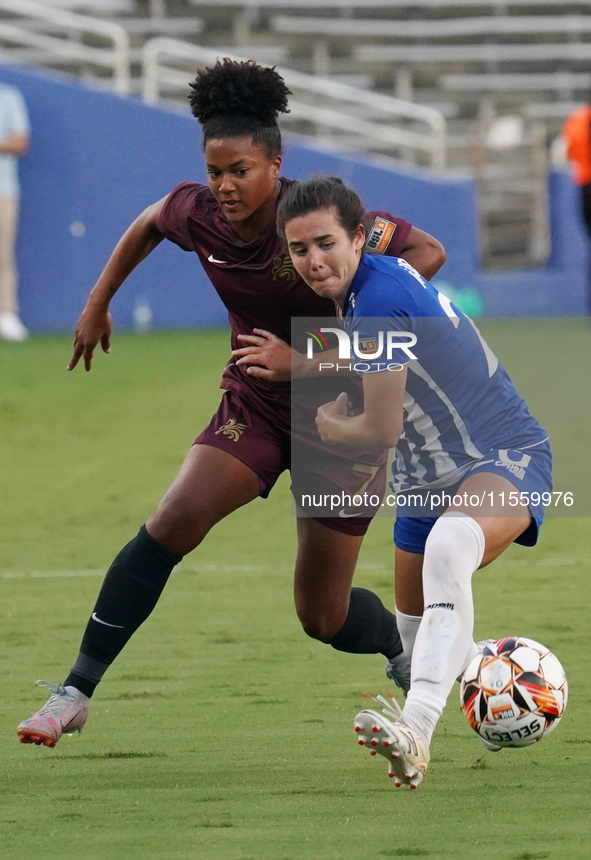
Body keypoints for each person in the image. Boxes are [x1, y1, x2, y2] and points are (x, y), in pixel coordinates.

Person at [16, 60, 447, 748]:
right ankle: (74, 690)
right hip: (258, 401)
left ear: (275, 164)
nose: (224, 186)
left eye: (240, 170)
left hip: (347, 416)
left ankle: (403, 654)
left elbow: (428, 250)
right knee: (172, 518)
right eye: (215, 171)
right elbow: (150, 222)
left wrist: (331, 342)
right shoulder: (201, 213)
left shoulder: (314, 216)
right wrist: (99, 301)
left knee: (322, 615)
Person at [277, 176, 552, 790]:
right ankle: (507, 685)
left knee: (448, 551)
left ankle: (416, 730)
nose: (314, 261)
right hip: (424, 477)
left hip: (501, 451)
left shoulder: (376, 300)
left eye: (325, 243)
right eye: (299, 250)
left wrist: (331, 423)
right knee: (414, 629)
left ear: (356, 237)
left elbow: (379, 427)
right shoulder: (370, 286)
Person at [0, 79, 30, 342]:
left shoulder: (8, 96)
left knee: (2, 254)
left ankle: (6, 314)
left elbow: (20, 141)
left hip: (3, 189)